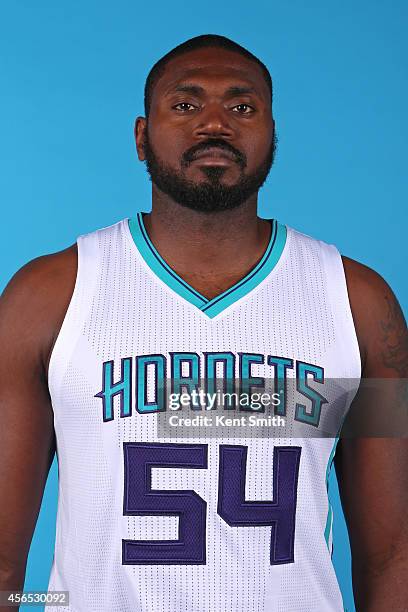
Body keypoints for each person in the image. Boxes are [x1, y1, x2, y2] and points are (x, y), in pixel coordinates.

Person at [0, 34, 406, 612]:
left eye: (242, 107)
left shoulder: (360, 303)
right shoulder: (46, 296)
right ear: (142, 138)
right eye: (185, 105)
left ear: (273, 136)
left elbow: (393, 554)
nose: (215, 125)